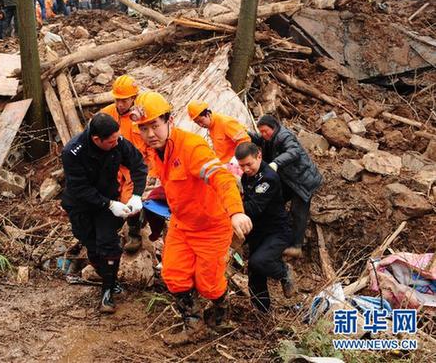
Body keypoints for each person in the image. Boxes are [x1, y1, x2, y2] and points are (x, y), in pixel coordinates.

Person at [132, 91, 252, 345]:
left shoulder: (192, 148)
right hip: (181, 224)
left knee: (209, 285)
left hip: (211, 226)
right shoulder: (154, 150)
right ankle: (194, 323)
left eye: (155, 125)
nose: (150, 133)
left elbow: (221, 177)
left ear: (169, 121)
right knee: (173, 275)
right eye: (144, 128)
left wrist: (236, 211)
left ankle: (221, 311)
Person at [61, 113, 148, 314]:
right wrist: (108, 204)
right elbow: (79, 188)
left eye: (117, 139)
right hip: (81, 204)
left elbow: (138, 165)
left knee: (108, 244)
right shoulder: (73, 152)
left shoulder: (118, 143)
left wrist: (136, 195)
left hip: (109, 200)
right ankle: (110, 278)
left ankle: (107, 292)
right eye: (110, 141)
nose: (115, 143)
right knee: (91, 244)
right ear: (96, 140)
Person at [250, 115, 323, 258]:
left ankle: (296, 246)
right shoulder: (268, 138)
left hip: (302, 180)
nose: (263, 135)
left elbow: (293, 151)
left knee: (298, 212)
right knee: (274, 200)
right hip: (288, 180)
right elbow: (259, 139)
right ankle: (272, 231)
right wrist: (246, 135)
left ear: (274, 127)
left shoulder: (285, 136)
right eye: (261, 132)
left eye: (265, 131)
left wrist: (276, 163)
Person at [236, 142, 295, 313]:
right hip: (258, 231)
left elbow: (253, 207)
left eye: (249, 164)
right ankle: (262, 311)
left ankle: (284, 272)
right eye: (242, 166)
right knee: (254, 273)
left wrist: (231, 207)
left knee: (259, 261)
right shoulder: (246, 177)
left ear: (259, 156)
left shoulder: (268, 178)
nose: (246, 169)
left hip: (277, 231)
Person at [100, 76, 151, 253]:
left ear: (133, 98)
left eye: (124, 100)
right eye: (117, 100)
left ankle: (134, 232)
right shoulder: (106, 114)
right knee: (109, 197)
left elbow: (152, 143)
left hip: (134, 166)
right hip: (111, 165)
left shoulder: (142, 117)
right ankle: (110, 230)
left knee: (129, 199)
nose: (120, 104)